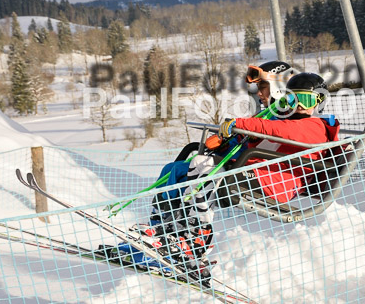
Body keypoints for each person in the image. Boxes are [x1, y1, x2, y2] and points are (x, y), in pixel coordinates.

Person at [133, 72, 339, 280]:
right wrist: (230, 138)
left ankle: (196, 238)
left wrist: (238, 123)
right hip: (259, 172)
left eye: (306, 99)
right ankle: (161, 226)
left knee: (201, 166)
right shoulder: (290, 122)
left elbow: (275, 129)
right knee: (175, 169)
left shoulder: (314, 126)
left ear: (319, 101)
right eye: (293, 98)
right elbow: (263, 138)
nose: (299, 105)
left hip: (276, 183)